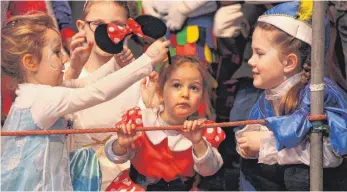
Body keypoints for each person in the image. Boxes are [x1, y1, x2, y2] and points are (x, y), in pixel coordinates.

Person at [0, 12, 170, 191]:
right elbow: (97, 92)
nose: (65, 58)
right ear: (31, 62)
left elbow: (86, 84)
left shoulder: (37, 94)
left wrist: (114, 65)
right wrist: (147, 60)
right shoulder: (42, 99)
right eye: (57, 52)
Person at [235, 1, 347, 190]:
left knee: (296, 175)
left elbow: (331, 153)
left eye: (259, 54)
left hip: (330, 180)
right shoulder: (270, 95)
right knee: (252, 168)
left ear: (289, 62)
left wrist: (266, 144)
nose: (251, 61)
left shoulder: (319, 94)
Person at [104, 56, 226, 191]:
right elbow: (115, 157)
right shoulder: (141, 120)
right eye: (177, 85)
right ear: (161, 90)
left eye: (194, 88)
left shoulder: (203, 131)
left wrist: (198, 143)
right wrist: (121, 145)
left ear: (202, 97)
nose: (185, 94)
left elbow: (209, 170)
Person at [65, 1, 145, 190]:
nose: (108, 34)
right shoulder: (65, 77)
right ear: (81, 27)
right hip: (76, 176)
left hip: (126, 180)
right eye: (99, 26)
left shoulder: (140, 80)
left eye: (117, 25)